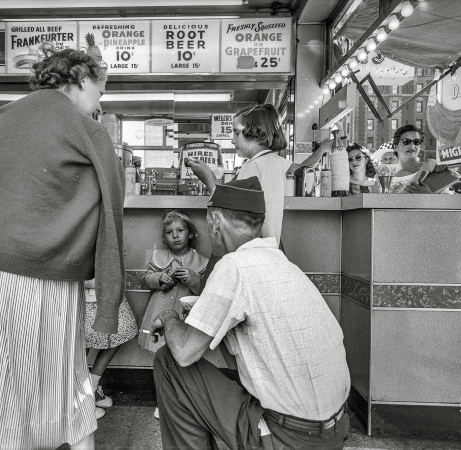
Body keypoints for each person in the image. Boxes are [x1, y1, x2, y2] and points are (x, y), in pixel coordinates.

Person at [0, 44, 125, 450]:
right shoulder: (85, 128)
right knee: (54, 379)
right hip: (42, 274)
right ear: (83, 78)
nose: (99, 102)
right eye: (101, 91)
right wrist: (108, 302)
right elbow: (111, 215)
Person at [150, 176, 351, 450]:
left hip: (287, 439)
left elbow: (185, 352)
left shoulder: (233, 265)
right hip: (333, 431)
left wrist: (169, 317)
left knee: (169, 362)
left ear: (216, 223)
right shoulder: (283, 264)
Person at [186, 104, 331, 246]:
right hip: (271, 245)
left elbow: (232, 212)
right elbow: (304, 169)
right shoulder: (276, 161)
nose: (232, 140)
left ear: (257, 133)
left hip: (251, 246)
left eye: (237, 133)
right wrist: (323, 148)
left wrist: (208, 179)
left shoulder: (253, 166)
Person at [139, 210, 209, 418]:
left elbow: (203, 289)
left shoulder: (200, 260)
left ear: (190, 234)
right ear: (165, 237)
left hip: (184, 318)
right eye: (169, 232)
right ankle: (163, 401)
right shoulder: (159, 257)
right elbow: (147, 278)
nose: (175, 235)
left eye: (180, 230)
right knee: (162, 360)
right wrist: (160, 278)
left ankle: (182, 400)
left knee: (183, 358)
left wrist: (191, 278)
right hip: (159, 313)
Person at [84, 279, 138, 419]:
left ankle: (92, 387)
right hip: (83, 296)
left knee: (119, 331)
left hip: (108, 294)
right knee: (82, 343)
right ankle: (79, 400)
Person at [389, 124, 438, 193]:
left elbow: (448, 203)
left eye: (416, 142)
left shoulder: (434, 171)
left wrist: (428, 195)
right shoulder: (384, 176)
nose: (412, 146)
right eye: (406, 141)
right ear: (395, 147)